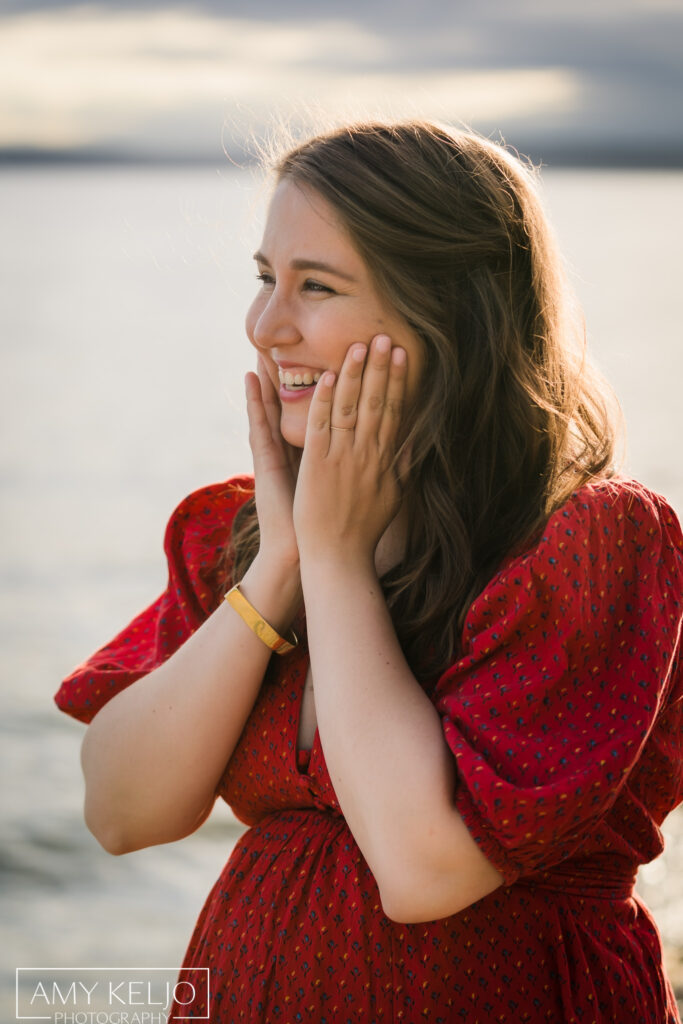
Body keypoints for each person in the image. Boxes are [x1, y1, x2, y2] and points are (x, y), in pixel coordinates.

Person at [54, 121, 683, 1023]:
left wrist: (339, 564)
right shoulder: (240, 532)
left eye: (317, 286)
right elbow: (119, 812)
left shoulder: (587, 545)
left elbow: (425, 868)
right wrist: (280, 565)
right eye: (266, 278)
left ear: (450, 314)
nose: (265, 326)